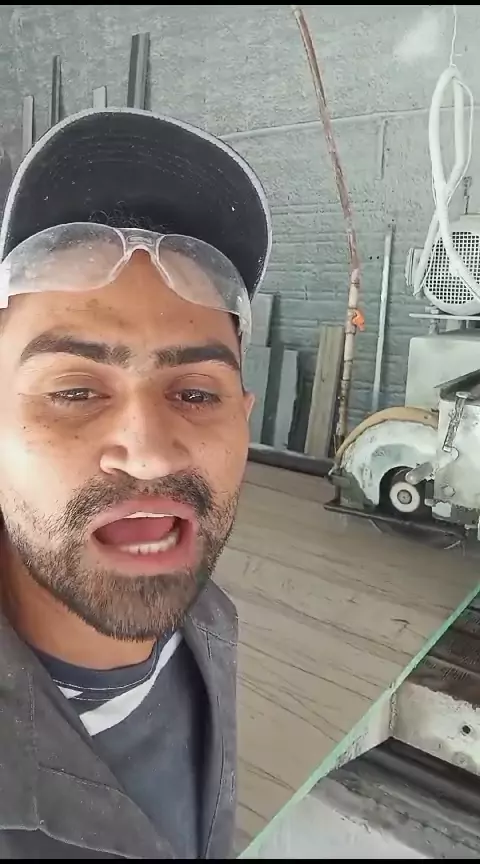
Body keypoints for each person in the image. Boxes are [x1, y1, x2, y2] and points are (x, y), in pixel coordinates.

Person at [0, 107, 271, 859]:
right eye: (75, 391)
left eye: (197, 393)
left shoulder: (208, 624)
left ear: (244, 420)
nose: (149, 456)